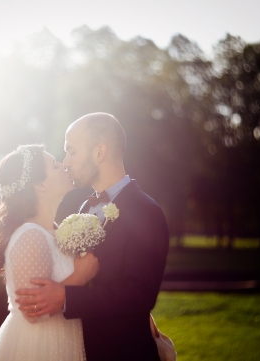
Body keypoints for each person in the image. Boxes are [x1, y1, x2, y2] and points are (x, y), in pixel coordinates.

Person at [15, 113, 170, 360]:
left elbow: (139, 295)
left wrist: (66, 297)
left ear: (99, 153)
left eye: (72, 152)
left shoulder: (146, 211)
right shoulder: (85, 210)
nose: (66, 162)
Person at [0, 144, 99, 361]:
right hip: (40, 347)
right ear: (39, 184)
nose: (65, 165)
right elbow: (34, 312)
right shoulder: (30, 235)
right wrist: (80, 276)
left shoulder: (53, 231)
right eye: (56, 166)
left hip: (63, 340)